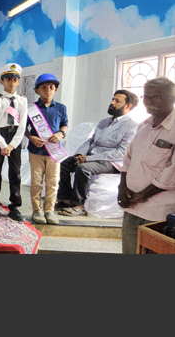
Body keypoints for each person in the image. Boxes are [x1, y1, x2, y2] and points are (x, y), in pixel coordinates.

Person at [56, 90, 139, 216]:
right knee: (65, 162)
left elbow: (121, 153)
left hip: (111, 162)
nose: (112, 103)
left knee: (83, 169)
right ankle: (65, 199)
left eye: (117, 101)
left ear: (127, 106)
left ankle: (80, 205)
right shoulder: (104, 122)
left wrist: (88, 159)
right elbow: (90, 141)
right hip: (92, 156)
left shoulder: (132, 126)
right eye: (113, 99)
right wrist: (79, 155)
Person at [118, 77, 175, 254]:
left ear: (172, 98)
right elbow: (128, 159)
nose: (149, 102)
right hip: (132, 207)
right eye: (146, 97)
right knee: (129, 252)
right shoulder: (143, 126)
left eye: (155, 97)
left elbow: (171, 173)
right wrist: (122, 187)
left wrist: (143, 195)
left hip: (158, 212)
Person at [25, 73, 69, 225]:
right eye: (43, 87)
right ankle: (37, 210)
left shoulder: (61, 108)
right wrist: (31, 137)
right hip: (35, 151)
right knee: (36, 181)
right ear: (37, 90)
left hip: (54, 151)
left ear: (55, 89)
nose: (48, 90)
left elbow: (64, 125)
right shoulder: (31, 108)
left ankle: (49, 210)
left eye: (51, 87)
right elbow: (23, 129)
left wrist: (60, 134)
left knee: (53, 181)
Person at [0, 63, 28, 222]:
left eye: (15, 79)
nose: (12, 82)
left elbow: (22, 125)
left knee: (15, 172)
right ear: (1, 81)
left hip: (15, 137)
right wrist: (3, 145)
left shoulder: (22, 100)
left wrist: (12, 145)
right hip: (0, 137)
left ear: (18, 81)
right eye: (8, 79)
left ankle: (14, 206)